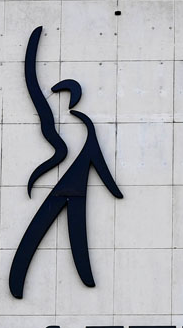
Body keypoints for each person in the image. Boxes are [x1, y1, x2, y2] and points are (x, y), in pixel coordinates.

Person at [9, 26, 123, 297]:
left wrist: (111, 188)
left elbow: (96, 161)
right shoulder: (72, 126)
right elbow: (35, 90)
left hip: (74, 189)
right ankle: (19, 287)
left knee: (66, 241)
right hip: (65, 189)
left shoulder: (82, 125)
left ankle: (85, 285)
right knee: (41, 238)